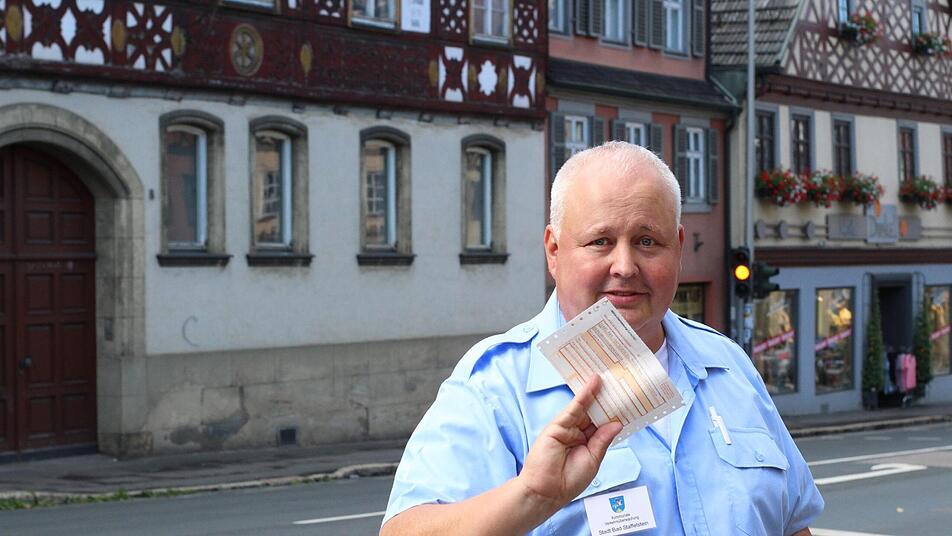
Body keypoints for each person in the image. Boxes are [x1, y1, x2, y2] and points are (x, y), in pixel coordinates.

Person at [381, 141, 823, 535]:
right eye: (600, 241)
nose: (625, 266)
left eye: (648, 241)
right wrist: (531, 497)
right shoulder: (497, 385)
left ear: (679, 247)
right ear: (554, 251)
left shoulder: (727, 365)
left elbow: (790, 524)